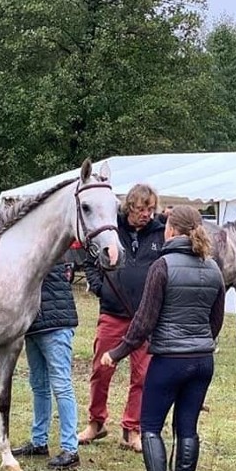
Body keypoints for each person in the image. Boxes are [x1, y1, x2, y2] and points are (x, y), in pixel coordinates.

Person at [100, 206, 225, 471]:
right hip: (202, 361)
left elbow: (143, 322)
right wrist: (200, 343)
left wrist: (116, 353)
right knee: (187, 429)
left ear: (172, 230)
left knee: (152, 427)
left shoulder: (163, 265)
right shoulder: (213, 268)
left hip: (169, 360)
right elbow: (216, 319)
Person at [79, 184, 166, 453]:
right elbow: (89, 256)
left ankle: (132, 429)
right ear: (130, 207)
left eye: (151, 209)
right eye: (141, 209)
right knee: (101, 369)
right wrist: (98, 287)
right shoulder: (110, 228)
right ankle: (96, 422)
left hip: (144, 318)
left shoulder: (160, 233)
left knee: (142, 375)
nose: (147, 215)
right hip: (113, 312)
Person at [12, 263, 81, 470]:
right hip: (34, 326)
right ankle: (39, 441)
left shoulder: (47, 250)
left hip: (55, 326)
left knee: (61, 386)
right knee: (39, 385)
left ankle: (70, 449)